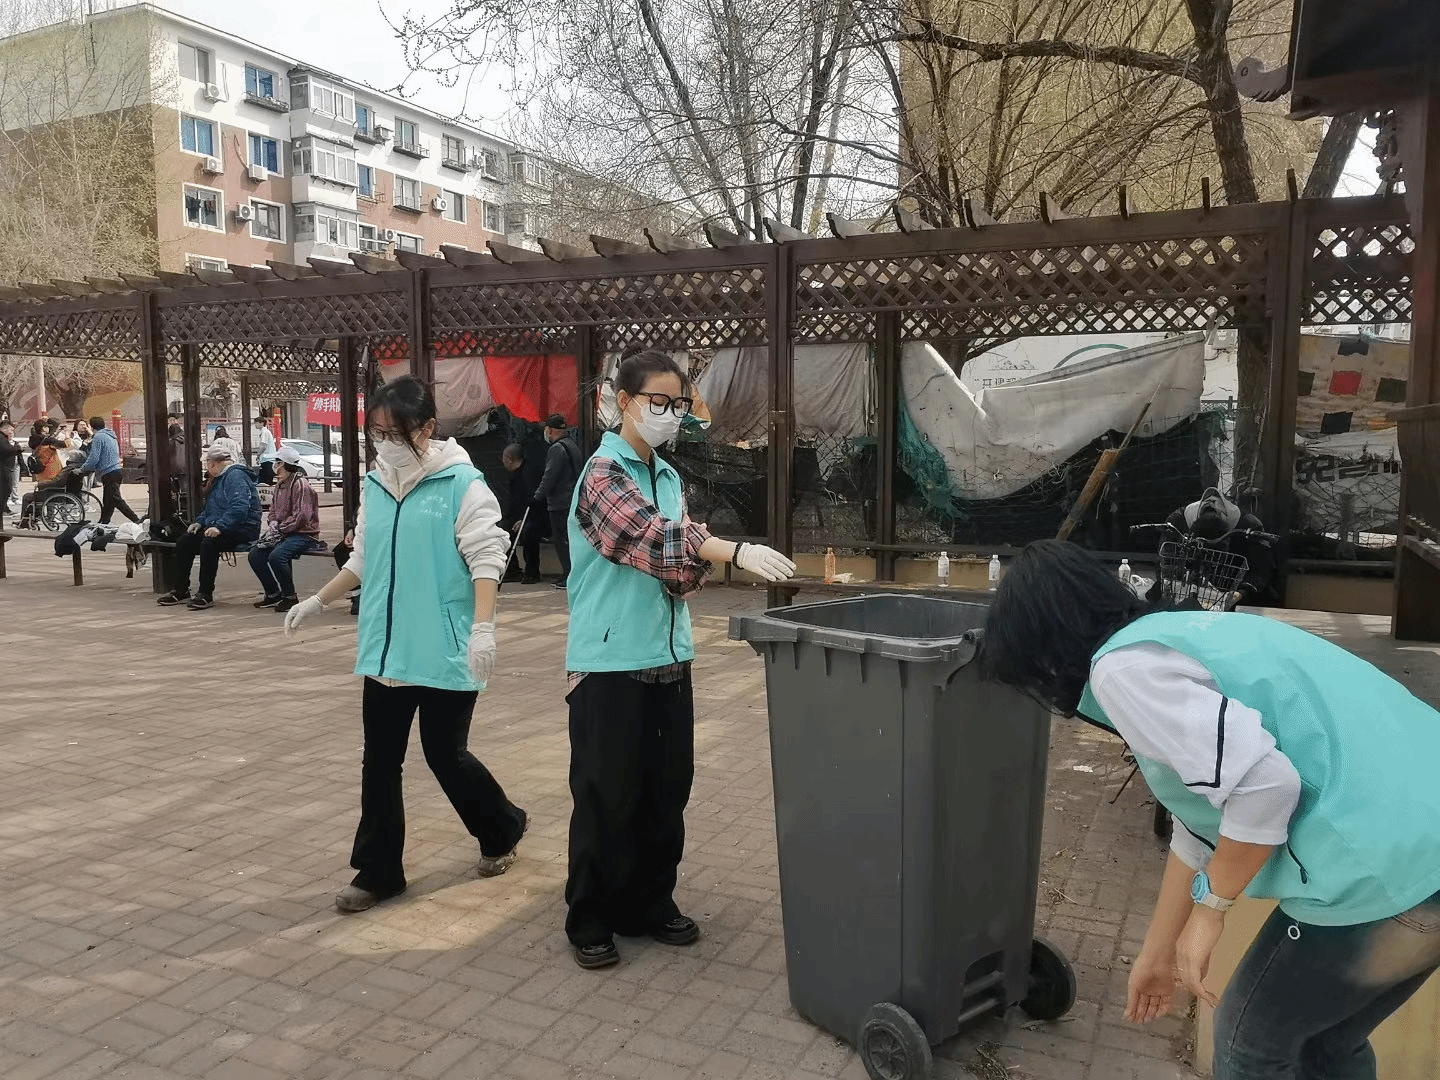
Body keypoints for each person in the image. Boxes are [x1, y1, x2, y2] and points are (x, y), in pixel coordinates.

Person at [980, 540, 1440, 1080]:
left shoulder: (1120, 671)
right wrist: (1157, 955)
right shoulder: (1179, 637)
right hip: (1422, 851)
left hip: (1388, 868)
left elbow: (1265, 787)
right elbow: (1200, 824)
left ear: (1042, 648)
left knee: (1250, 1047)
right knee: (1327, 1045)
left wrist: (1209, 913)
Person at [563, 349, 797, 969]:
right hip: (609, 661)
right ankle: (591, 915)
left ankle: (650, 902)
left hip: (668, 655)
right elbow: (647, 537)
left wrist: (695, 562)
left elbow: (678, 570)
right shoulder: (601, 474)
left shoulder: (667, 477)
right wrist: (729, 550)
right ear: (623, 402)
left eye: (678, 404)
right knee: (606, 796)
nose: (668, 414)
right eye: (657, 402)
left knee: (666, 792)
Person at [282, 375, 528, 914]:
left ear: (427, 428)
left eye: (397, 433)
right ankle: (379, 873)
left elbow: (488, 557)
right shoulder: (375, 484)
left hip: (444, 646)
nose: (385, 444)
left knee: (445, 756)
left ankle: (503, 826)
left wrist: (483, 627)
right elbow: (363, 560)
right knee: (379, 762)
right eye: (376, 433)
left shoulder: (463, 483)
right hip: (386, 649)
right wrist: (318, 601)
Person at [157, 446, 261, 609]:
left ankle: (205, 593)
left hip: (243, 528)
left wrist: (220, 527)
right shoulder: (222, 478)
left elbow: (239, 507)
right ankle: (181, 589)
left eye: (207, 463)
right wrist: (199, 522)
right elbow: (212, 509)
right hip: (226, 526)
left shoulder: (235, 476)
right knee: (185, 542)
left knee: (209, 543)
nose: (206, 467)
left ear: (213, 463)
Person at [248, 445, 326, 612]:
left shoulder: (300, 485)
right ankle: (273, 593)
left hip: (304, 534)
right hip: (284, 533)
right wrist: (273, 522)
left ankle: (289, 596)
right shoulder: (280, 484)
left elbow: (302, 517)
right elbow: (273, 509)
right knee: (255, 554)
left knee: (277, 556)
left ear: (283, 464)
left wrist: (280, 528)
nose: (275, 466)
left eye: (277, 462)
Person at [532, 412, 582, 589]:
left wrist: (537, 497)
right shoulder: (573, 446)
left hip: (559, 502)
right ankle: (571, 574)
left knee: (562, 541)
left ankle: (568, 575)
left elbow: (549, 476)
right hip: (572, 500)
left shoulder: (556, 449)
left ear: (550, 430)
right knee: (570, 540)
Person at [77, 417, 141, 525]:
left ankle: (136, 520)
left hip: (109, 472)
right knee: (108, 501)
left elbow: (94, 458)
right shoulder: (110, 435)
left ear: (92, 427)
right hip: (116, 470)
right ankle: (104, 523)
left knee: (116, 499)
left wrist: (82, 469)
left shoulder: (98, 437)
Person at [500, 443, 542, 584]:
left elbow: (533, 500)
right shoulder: (514, 476)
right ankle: (512, 570)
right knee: (502, 530)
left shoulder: (529, 474)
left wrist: (523, 519)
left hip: (534, 516)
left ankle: (532, 572)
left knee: (528, 532)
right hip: (518, 515)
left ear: (509, 458)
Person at [28, 419, 65, 485]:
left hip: (39, 467)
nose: (48, 428)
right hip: (49, 468)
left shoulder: (32, 439)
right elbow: (64, 444)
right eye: (46, 427)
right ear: (43, 428)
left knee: (41, 486)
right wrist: (68, 437)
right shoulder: (47, 440)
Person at [0, 419, 19, 523]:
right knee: (5, 489)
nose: (12, 432)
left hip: (7, 467)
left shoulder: (4, 438)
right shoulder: (2, 439)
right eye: (11, 430)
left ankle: (4, 508)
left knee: (8, 488)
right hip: (3, 469)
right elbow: (7, 449)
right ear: (5, 429)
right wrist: (18, 448)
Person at [253, 415, 278, 484]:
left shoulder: (264, 432)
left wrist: (258, 455)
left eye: (256, 423)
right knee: (265, 479)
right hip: (267, 459)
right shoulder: (265, 432)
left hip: (267, 459)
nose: (255, 425)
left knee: (265, 480)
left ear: (261, 423)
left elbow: (263, 446)